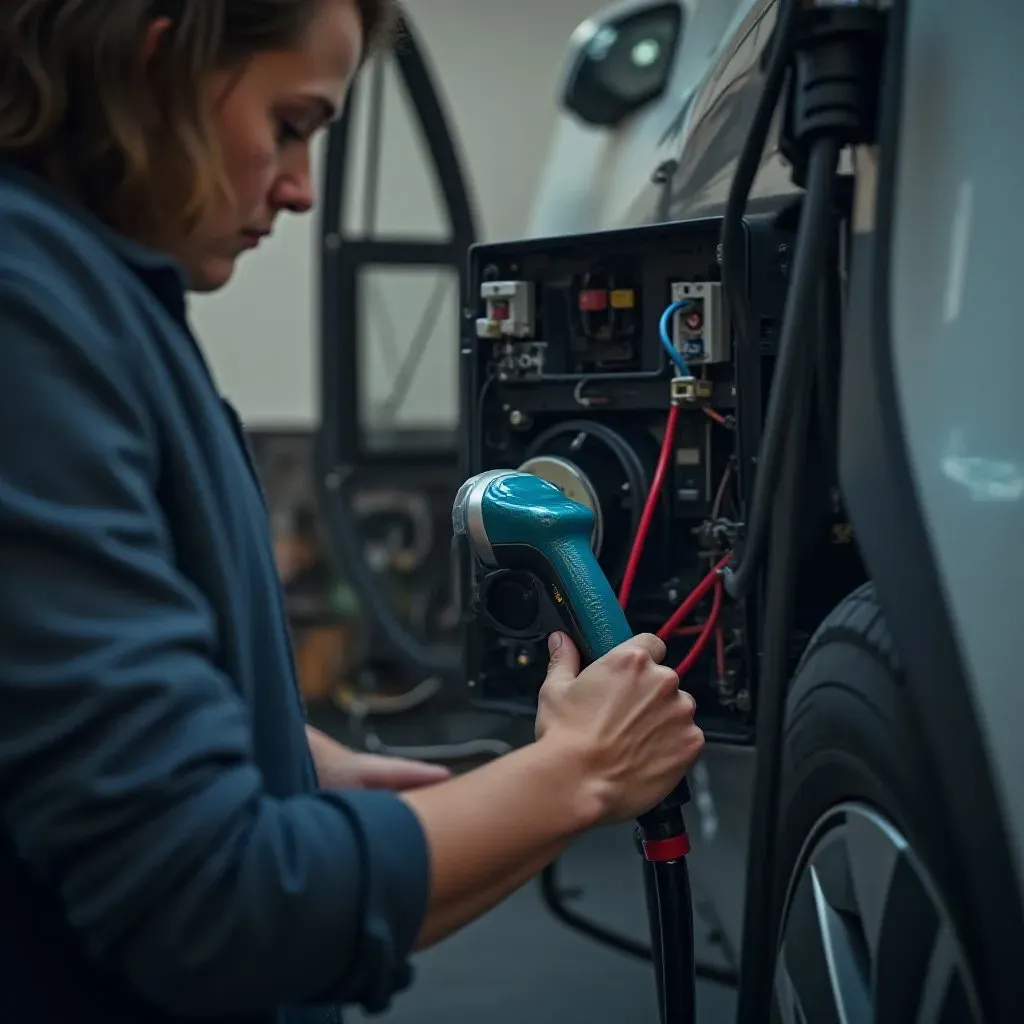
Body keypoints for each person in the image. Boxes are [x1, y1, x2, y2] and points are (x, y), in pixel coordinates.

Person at [0, 2, 705, 1023]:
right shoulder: (31, 323)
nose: (297, 187)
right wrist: (579, 775)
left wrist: (273, 751)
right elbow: (217, 908)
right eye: (290, 123)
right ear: (159, 67)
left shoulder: (100, 306)